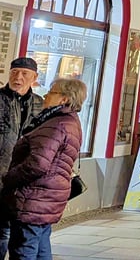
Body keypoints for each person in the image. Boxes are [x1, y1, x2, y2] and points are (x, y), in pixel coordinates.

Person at [1, 78, 85, 259]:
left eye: (52, 92)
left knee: (25, 248)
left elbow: (38, 163)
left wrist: (9, 177)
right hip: (47, 196)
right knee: (40, 246)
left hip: (34, 196)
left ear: (64, 99)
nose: (46, 95)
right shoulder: (67, 121)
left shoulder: (57, 125)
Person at [0, 58, 43, 256]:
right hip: (1, 173)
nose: (18, 77)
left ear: (34, 77)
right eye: (14, 72)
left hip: (24, 177)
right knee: (1, 230)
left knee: (20, 231)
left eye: (24, 73)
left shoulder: (40, 104)